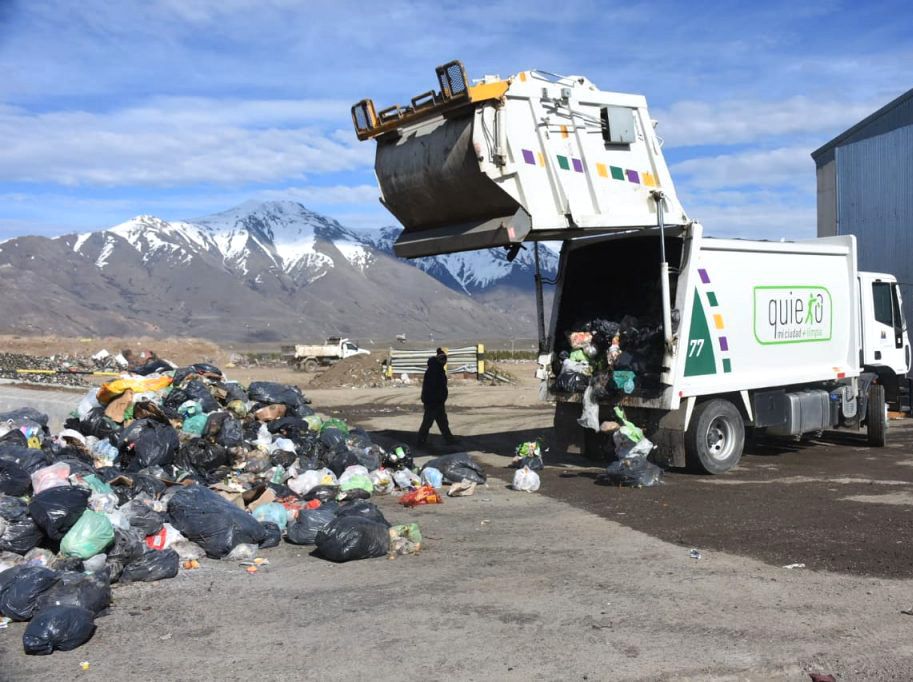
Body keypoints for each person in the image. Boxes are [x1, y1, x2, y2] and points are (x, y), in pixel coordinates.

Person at [417, 348, 458, 446]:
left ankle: (449, 439)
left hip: (437, 401)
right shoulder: (434, 371)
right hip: (433, 401)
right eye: (442, 359)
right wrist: (434, 399)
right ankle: (421, 441)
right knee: (428, 422)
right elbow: (432, 387)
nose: (444, 361)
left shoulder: (437, 369)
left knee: (442, 421)